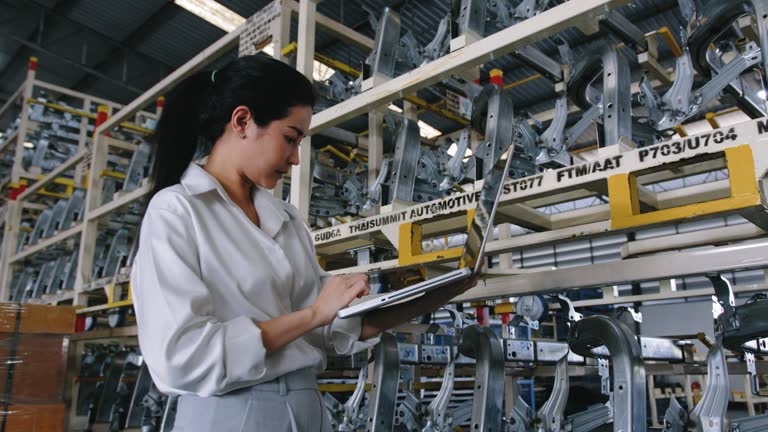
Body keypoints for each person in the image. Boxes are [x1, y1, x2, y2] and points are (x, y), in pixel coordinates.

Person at [131, 54, 477, 432]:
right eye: (290, 138)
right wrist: (313, 314)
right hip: (229, 414)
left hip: (304, 408)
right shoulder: (177, 212)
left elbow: (325, 331)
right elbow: (181, 358)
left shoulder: (285, 218)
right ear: (242, 121)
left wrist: (442, 290)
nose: (296, 158)